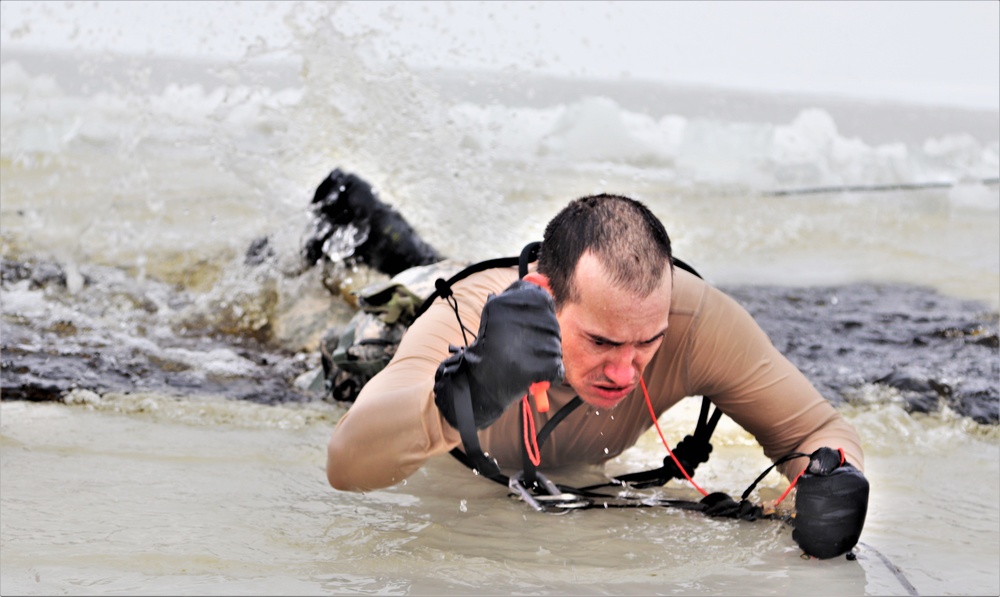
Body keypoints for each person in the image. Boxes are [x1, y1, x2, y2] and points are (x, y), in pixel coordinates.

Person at [325, 192, 868, 558]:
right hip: (386, 338)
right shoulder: (464, 318)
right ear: (543, 298)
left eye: (647, 342)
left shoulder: (697, 320)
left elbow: (816, 432)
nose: (622, 371)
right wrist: (468, 390)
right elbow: (346, 466)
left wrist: (830, 480)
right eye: (601, 340)